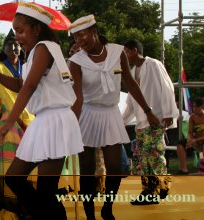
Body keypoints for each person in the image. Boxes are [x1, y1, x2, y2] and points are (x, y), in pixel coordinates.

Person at [0, 3, 84, 219]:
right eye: (15, 31)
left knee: (46, 191)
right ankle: (39, 214)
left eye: (20, 30)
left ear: (36, 29)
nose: (16, 37)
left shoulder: (44, 47)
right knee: (15, 178)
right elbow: (21, 85)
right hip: (43, 121)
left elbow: (29, 87)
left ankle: (44, 215)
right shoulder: (35, 53)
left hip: (55, 120)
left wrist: (9, 122)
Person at [68, 15, 161, 220]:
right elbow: (77, 97)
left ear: (94, 31)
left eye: (81, 35)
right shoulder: (75, 61)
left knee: (116, 167)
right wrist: (71, 126)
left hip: (111, 113)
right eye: (75, 37)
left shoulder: (118, 52)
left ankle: (107, 207)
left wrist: (148, 111)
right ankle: (89, 213)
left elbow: (130, 83)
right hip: (87, 114)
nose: (78, 41)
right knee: (87, 169)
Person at [122, 39, 178, 205]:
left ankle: (158, 187)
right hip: (141, 122)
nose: (124, 57)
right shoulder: (132, 72)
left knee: (154, 154)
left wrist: (168, 113)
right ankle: (151, 189)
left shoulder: (153, 64)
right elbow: (131, 101)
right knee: (144, 158)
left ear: (132, 51)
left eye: (125, 52)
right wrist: (121, 121)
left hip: (156, 118)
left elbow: (167, 87)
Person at [0, 29, 33, 129]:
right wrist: (13, 113)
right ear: (4, 48)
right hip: (8, 114)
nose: (14, 47)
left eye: (17, 44)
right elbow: (0, 92)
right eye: (10, 44)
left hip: (28, 112)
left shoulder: (25, 66)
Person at [176, 97, 204, 176]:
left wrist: (195, 140)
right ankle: (184, 169)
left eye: (196, 107)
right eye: (193, 106)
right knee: (180, 144)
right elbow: (190, 132)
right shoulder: (192, 117)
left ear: (202, 106)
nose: (194, 109)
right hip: (196, 140)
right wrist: (189, 139)